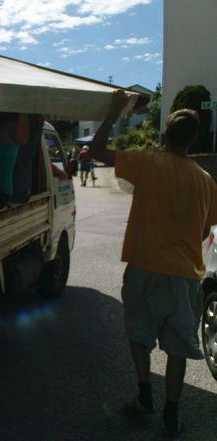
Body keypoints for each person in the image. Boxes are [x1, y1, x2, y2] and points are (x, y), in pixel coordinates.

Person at [89, 90, 217, 436]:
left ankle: (145, 392)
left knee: (139, 332)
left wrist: (114, 113)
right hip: (184, 273)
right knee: (177, 346)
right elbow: (206, 227)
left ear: (164, 135)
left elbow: (96, 151)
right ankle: (172, 412)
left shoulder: (148, 162)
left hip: (144, 265)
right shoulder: (206, 181)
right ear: (195, 140)